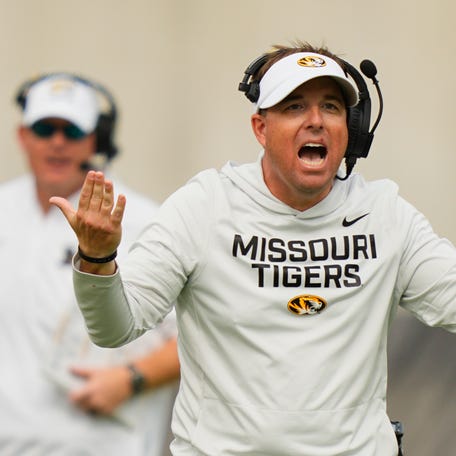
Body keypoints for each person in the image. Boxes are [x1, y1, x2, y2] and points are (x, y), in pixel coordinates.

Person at [50, 41, 456, 456]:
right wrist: (98, 258)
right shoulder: (204, 206)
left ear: (350, 127)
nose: (316, 120)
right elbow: (114, 329)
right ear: (261, 128)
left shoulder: (386, 214)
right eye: (295, 106)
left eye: (331, 107)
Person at [0, 73, 180, 455]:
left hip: (107, 445)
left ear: (95, 139)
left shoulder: (145, 220)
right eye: (45, 128)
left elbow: (199, 335)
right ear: (22, 136)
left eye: (73, 131)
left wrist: (130, 378)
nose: (58, 142)